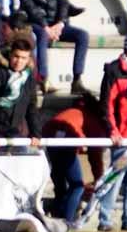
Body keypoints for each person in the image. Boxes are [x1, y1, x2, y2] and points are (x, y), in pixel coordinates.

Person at [17, 0, 90, 94]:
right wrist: (45, 26)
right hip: (36, 23)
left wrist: (60, 23)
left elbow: (63, 0)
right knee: (42, 35)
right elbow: (28, 3)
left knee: (83, 35)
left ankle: (77, 79)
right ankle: (42, 79)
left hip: (56, 23)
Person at [96, 31, 127, 232]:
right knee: (115, 179)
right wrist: (113, 130)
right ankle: (105, 220)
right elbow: (106, 105)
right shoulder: (114, 71)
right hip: (123, 138)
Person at [43, 95, 106, 225]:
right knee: (77, 186)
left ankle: (56, 218)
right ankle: (68, 222)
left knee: (60, 186)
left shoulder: (70, 112)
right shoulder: (91, 119)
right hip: (67, 141)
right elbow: (95, 153)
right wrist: (99, 179)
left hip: (50, 139)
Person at [0, 39, 41, 146]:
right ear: (10, 55)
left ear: (28, 60)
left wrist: (35, 134)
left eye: (23, 58)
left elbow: (32, 109)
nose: (19, 61)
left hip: (16, 133)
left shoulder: (29, 79)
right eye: (16, 56)